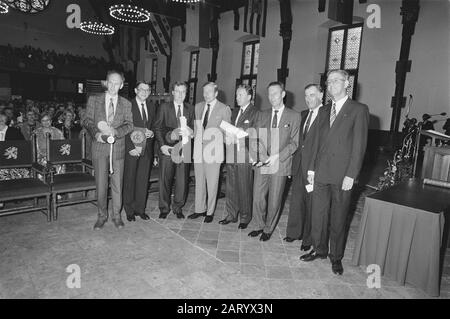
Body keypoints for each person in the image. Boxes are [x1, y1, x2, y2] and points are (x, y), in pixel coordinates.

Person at [300, 69, 369, 276]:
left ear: (347, 83)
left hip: (342, 175)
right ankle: (319, 249)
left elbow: (359, 146)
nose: (331, 86)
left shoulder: (358, 109)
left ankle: (336, 257)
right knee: (318, 214)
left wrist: (352, 175)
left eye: (335, 81)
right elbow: (316, 144)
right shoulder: (323, 111)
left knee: (338, 218)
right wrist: (311, 169)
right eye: (328, 82)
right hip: (320, 173)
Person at [248, 81, 300, 241]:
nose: (272, 97)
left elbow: (295, 142)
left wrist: (277, 156)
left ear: (283, 94)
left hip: (280, 163)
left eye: (275, 93)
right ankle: (258, 225)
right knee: (257, 197)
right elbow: (254, 137)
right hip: (262, 162)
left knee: (274, 200)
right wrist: (256, 156)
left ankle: (268, 229)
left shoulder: (294, 116)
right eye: (269, 94)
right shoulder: (262, 114)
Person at [82, 70, 133, 230]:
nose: (113, 86)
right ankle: (102, 216)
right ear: (106, 82)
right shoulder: (94, 100)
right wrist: (96, 134)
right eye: (110, 82)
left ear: (121, 85)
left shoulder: (126, 103)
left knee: (117, 184)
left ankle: (117, 216)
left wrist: (116, 132)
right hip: (99, 148)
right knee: (101, 185)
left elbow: (129, 125)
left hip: (117, 148)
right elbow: (87, 121)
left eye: (116, 83)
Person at [284, 84, 324, 251]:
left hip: (314, 167)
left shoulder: (327, 115)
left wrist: (315, 169)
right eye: (306, 96)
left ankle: (308, 239)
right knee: (297, 200)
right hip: (299, 165)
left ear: (321, 95)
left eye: (312, 95)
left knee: (311, 204)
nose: (308, 99)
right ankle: (294, 232)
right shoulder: (303, 114)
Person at [188, 82, 231, 223]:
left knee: (212, 184)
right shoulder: (198, 107)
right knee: (199, 181)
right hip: (199, 151)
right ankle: (199, 209)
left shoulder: (224, 109)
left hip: (214, 152)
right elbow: (196, 129)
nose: (206, 94)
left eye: (209, 92)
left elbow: (227, 132)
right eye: (204, 92)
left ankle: (210, 212)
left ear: (216, 93)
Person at [219, 84, 258, 230]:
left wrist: (243, 135)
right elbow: (227, 129)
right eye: (236, 95)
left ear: (249, 96)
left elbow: (256, 134)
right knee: (231, 187)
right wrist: (225, 136)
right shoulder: (234, 111)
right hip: (231, 153)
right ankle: (231, 214)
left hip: (244, 154)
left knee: (244, 186)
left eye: (240, 95)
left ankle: (245, 217)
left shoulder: (255, 112)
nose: (237, 97)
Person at [154, 81, 194, 219]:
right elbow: (157, 128)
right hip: (168, 148)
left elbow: (194, 128)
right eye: (177, 91)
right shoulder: (164, 107)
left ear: (186, 93)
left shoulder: (190, 108)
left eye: (183, 91)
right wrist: (162, 145)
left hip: (185, 149)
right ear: (172, 92)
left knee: (182, 180)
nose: (180, 94)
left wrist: (192, 132)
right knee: (165, 179)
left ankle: (178, 207)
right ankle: (164, 208)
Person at [123, 81, 156, 222]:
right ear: (136, 90)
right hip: (132, 149)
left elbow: (153, 126)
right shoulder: (127, 105)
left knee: (143, 180)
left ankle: (140, 209)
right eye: (142, 89)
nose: (145, 92)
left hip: (146, 149)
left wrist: (152, 133)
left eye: (147, 90)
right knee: (130, 180)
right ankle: (129, 210)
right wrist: (130, 147)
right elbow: (123, 127)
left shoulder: (152, 106)